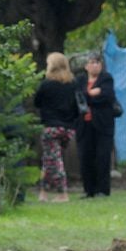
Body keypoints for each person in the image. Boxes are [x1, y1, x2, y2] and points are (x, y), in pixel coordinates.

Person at [34, 52, 80, 203]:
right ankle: (43, 192)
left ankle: (62, 193)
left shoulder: (46, 84)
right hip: (68, 128)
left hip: (51, 128)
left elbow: (37, 102)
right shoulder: (73, 83)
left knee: (54, 161)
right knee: (50, 160)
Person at [75, 52, 117, 197]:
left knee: (103, 156)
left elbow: (107, 97)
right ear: (86, 66)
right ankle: (89, 190)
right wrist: (92, 93)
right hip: (84, 125)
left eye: (98, 62)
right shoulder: (80, 80)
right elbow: (78, 97)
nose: (95, 65)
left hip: (102, 124)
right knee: (86, 156)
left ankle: (103, 189)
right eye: (92, 62)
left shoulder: (106, 78)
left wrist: (90, 96)